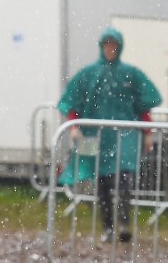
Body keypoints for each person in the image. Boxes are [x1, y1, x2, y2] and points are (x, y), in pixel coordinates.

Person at [57, 27, 162, 243]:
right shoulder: (89, 74)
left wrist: (148, 133)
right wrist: (74, 126)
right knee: (102, 182)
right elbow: (74, 101)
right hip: (95, 136)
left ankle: (123, 224)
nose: (110, 49)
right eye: (107, 45)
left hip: (125, 135)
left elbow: (143, 106)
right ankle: (108, 227)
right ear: (101, 46)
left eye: (114, 45)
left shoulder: (131, 74)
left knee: (124, 179)